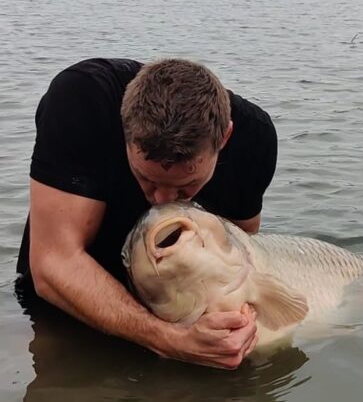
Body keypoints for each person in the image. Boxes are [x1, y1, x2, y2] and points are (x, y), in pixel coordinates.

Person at [16, 57, 278, 370]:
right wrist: (169, 341)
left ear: (224, 139)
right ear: (123, 131)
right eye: (146, 179)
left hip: (177, 315)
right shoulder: (82, 99)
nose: (162, 199)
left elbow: (242, 247)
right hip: (66, 306)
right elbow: (53, 263)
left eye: (186, 186)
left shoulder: (255, 140)